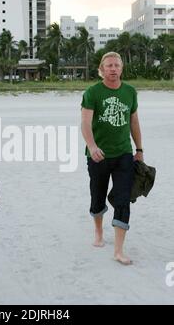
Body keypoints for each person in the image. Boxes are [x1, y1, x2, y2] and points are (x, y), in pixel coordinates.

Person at [81, 52, 144, 265]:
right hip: (98, 156)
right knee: (97, 196)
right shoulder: (93, 92)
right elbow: (85, 123)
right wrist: (92, 146)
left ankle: (118, 250)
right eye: (109, 65)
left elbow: (134, 122)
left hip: (124, 154)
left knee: (123, 199)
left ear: (122, 68)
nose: (113, 68)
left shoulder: (130, 92)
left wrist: (139, 149)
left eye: (117, 65)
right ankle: (98, 231)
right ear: (102, 68)